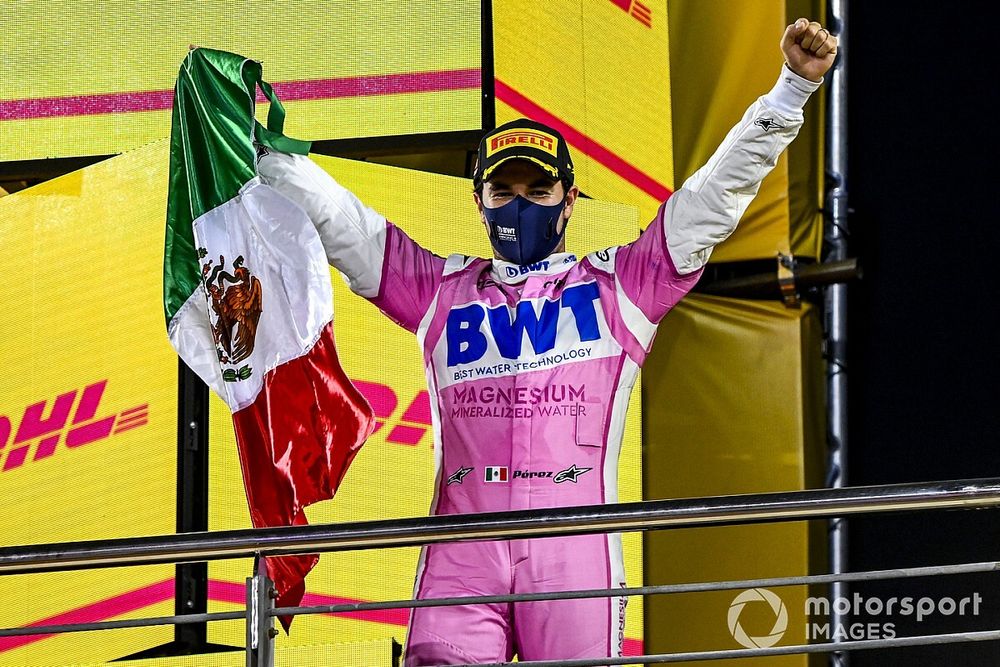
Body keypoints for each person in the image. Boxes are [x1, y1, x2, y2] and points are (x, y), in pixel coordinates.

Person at [257, 18, 837, 665]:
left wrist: (789, 92)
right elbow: (345, 224)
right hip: (462, 555)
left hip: (575, 554)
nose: (520, 204)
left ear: (569, 202)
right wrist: (264, 155)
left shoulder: (622, 284)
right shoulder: (441, 290)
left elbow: (713, 197)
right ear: (478, 202)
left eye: (538, 190)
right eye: (503, 191)